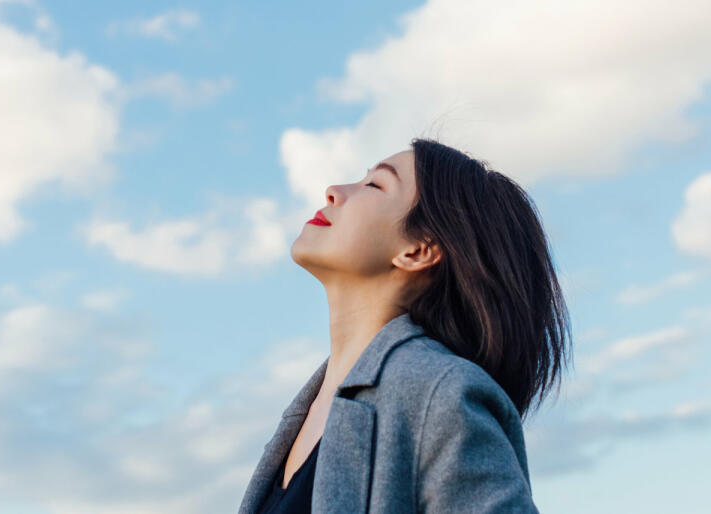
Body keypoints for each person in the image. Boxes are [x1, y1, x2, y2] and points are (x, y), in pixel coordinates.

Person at [237, 138, 572, 513]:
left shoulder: (440, 394)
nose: (333, 191)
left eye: (375, 185)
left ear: (418, 250)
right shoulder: (307, 411)